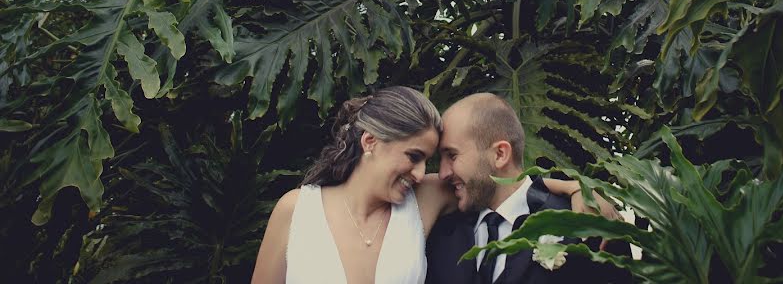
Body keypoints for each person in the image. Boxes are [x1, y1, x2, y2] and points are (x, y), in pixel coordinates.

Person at [251, 87, 614, 284]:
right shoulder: (296, 209)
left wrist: (575, 188)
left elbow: (504, 184)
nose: (426, 172)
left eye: (434, 158)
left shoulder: (422, 199)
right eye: (414, 156)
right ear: (370, 142)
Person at [425, 93, 630, 284]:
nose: (443, 173)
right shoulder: (442, 231)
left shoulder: (582, 220)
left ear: (499, 154)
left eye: (452, 155)